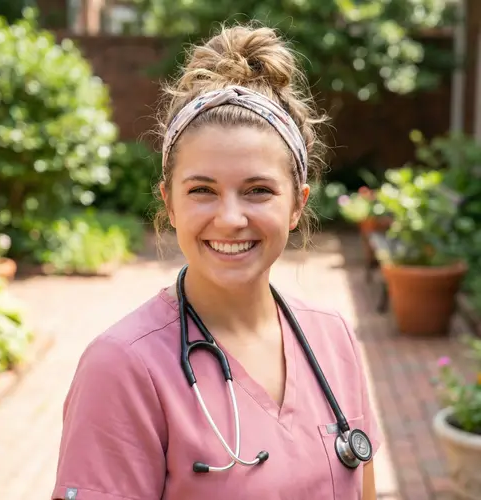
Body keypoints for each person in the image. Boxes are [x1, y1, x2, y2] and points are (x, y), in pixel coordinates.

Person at [52, 23, 382, 500]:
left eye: (258, 191)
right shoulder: (124, 367)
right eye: (202, 190)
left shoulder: (333, 340)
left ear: (297, 205)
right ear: (169, 202)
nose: (230, 219)